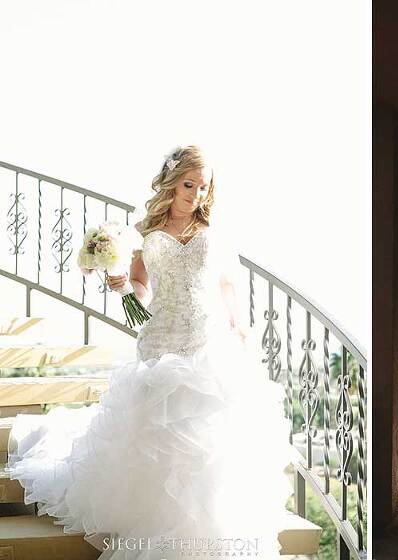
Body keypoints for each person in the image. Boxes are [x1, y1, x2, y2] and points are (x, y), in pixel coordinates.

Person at [5, 146, 294, 559]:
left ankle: (208, 527)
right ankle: (153, 522)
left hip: (206, 336)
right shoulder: (143, 229)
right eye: (188, 184)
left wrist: (238, 324)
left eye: (203, 186)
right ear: (172, 182)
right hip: (160, 336)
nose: (195, 194)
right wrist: (123, 285)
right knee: (156, 429)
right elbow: (141, 285)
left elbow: (226, 284)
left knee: (209, 434)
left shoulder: (212, 228)